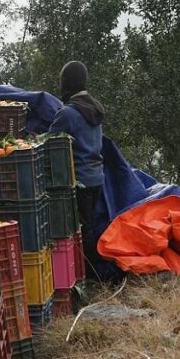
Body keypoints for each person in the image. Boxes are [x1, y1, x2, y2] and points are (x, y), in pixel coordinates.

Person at [48, 61, 106, 279]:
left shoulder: (68, 114)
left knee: (81, 231)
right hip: (97, 178)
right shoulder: (95, 108)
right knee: (90, 226)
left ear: (67, 83)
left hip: (79, 180)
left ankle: (89, 276)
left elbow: (49, 143)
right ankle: (93, 273)